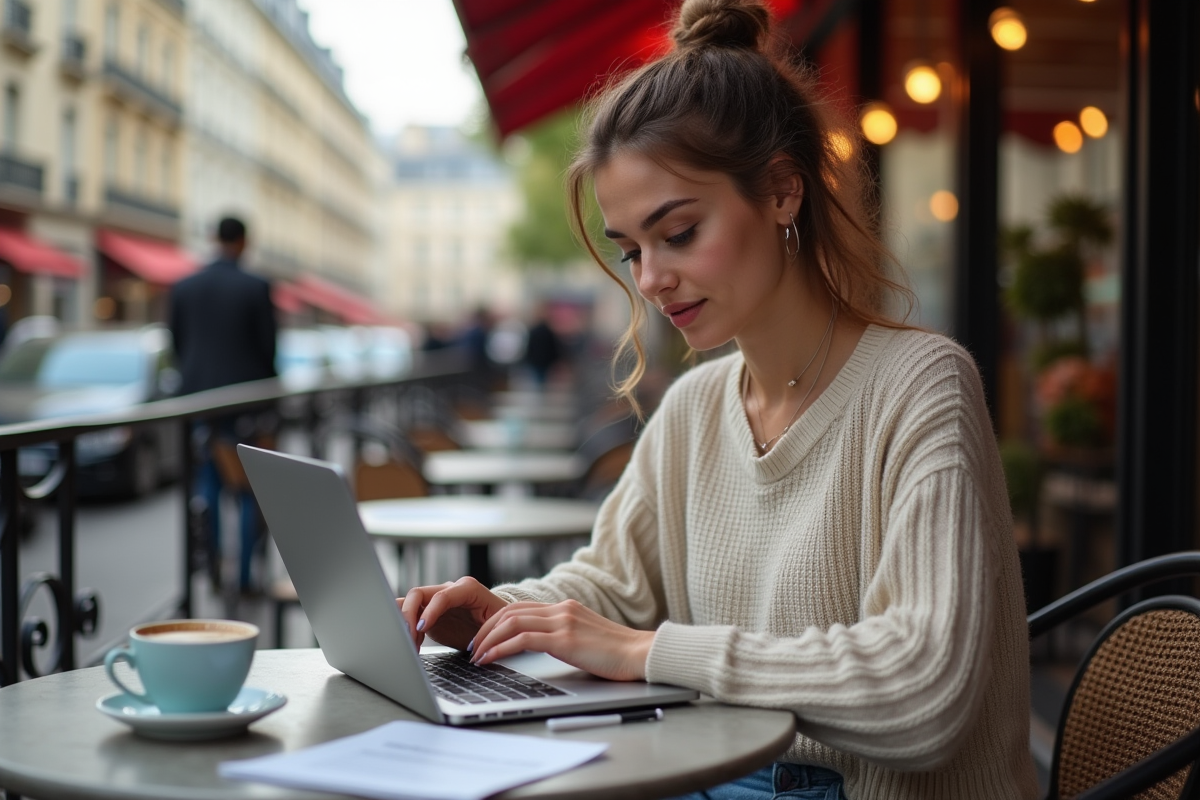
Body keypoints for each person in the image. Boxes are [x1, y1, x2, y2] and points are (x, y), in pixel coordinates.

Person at [400, 2, 1037, 798]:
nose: (650, 279)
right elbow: (613, 586)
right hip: (727, 773)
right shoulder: (695, 407)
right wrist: (500, 611)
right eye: (630, 250)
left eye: (678, 233)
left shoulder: (920, 385)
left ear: (782, 192)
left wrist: (646, 652)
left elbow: (924, 692)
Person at [169, 216, 278, 593]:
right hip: (246, 403)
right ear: (244, 242)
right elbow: (268, 349)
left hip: (201, 402)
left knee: (209, 482)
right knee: (248, 488)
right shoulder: (256, 286)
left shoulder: (185, 286)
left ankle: (213, 563)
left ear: (215, 238)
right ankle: (244, 575)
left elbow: (177, 345)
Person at [522, 300, 563, 388]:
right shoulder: (548, 330)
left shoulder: (537, 330)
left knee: (538, 379)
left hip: (538, 361)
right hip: (543, 361)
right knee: (541, 380)